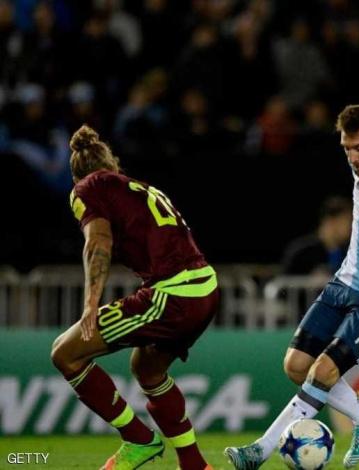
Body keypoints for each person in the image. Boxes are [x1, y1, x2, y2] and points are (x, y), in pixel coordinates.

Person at [224, 104, 359, 469]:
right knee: (296, 365)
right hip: (344, 283)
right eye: (346, 148)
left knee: (324, 372)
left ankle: (260, 451)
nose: (353, 157)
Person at [50, 125, 218, 470]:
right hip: (205, 289)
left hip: (174, 295)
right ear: (112, 164)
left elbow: (98, 242)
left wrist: (91, 303)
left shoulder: (87, 188)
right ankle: (194, 464)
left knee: (65, 354)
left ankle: (139, 440)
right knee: (147, 369)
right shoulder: (140, 188)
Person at [280, 196, 353, 277]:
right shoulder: (302, 252)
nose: (351, 227)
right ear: (332, 221)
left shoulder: (349, 253)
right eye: (347, 221)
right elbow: (285, 281)